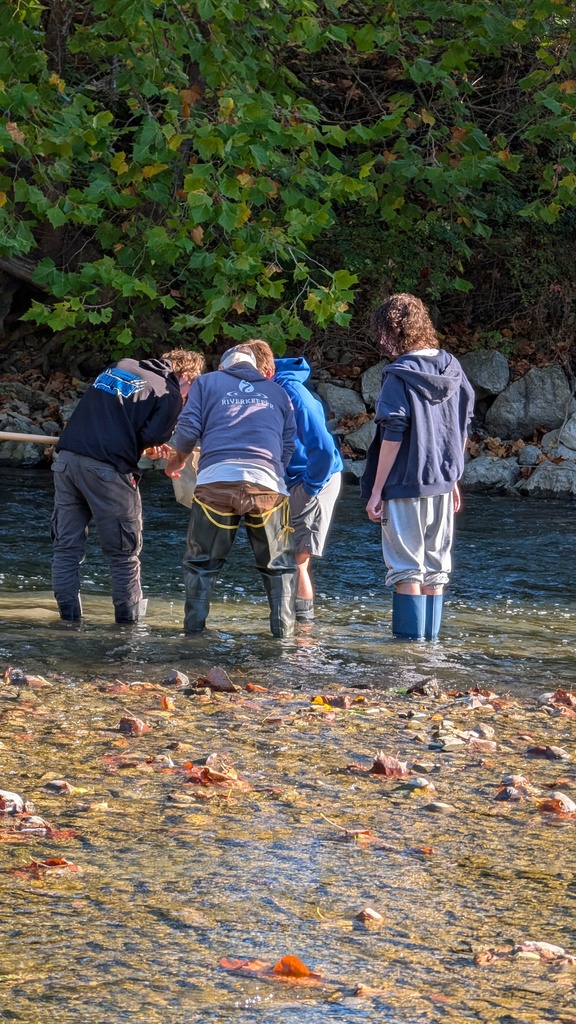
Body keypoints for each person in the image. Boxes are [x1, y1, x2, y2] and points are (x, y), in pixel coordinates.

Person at [51, 349, 205, 624]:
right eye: (190, 393)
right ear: (187, 376)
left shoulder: (120, 365)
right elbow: (153, 435)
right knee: (124, 554)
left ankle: (68, 623)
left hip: (67, 461)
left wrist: (145, 441)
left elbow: (115, 413)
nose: (187, 400)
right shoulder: (168, 393)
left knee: (66, 548)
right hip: (108, 469)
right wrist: (153, 444)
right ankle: (128, 629)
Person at [362, 294, 474, 640]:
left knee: (407, 569)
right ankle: (430, 652)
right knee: (435, 570)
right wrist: (454, 477)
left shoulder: (398, 375)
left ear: (389, 332)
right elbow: (463, 424)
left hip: (406, 483)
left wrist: (377, 489)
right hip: (442, 482)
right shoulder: (453, 368)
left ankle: (407, 656)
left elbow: (393, 433)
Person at [164, 345, 297, 638]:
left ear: (223, 368)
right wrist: (273, 472)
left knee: (201, 565)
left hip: (216, 483)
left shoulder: (207, 383)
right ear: (256, 367)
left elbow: (187, 430)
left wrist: (177, 461)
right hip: (268, 487)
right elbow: (288, 445)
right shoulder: (278, 392)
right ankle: (284, 639)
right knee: (280, 568)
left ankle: (194, 637)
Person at [247, 339, 343, 622]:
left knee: (295, 560)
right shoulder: (259, 391)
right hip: (287, 481)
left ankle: (303, 640)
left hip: (313, 479)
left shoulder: (292, 393)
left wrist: (310, 487)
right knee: (282, 558)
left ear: (264, 372)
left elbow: (324, 449)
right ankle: (289, 627)